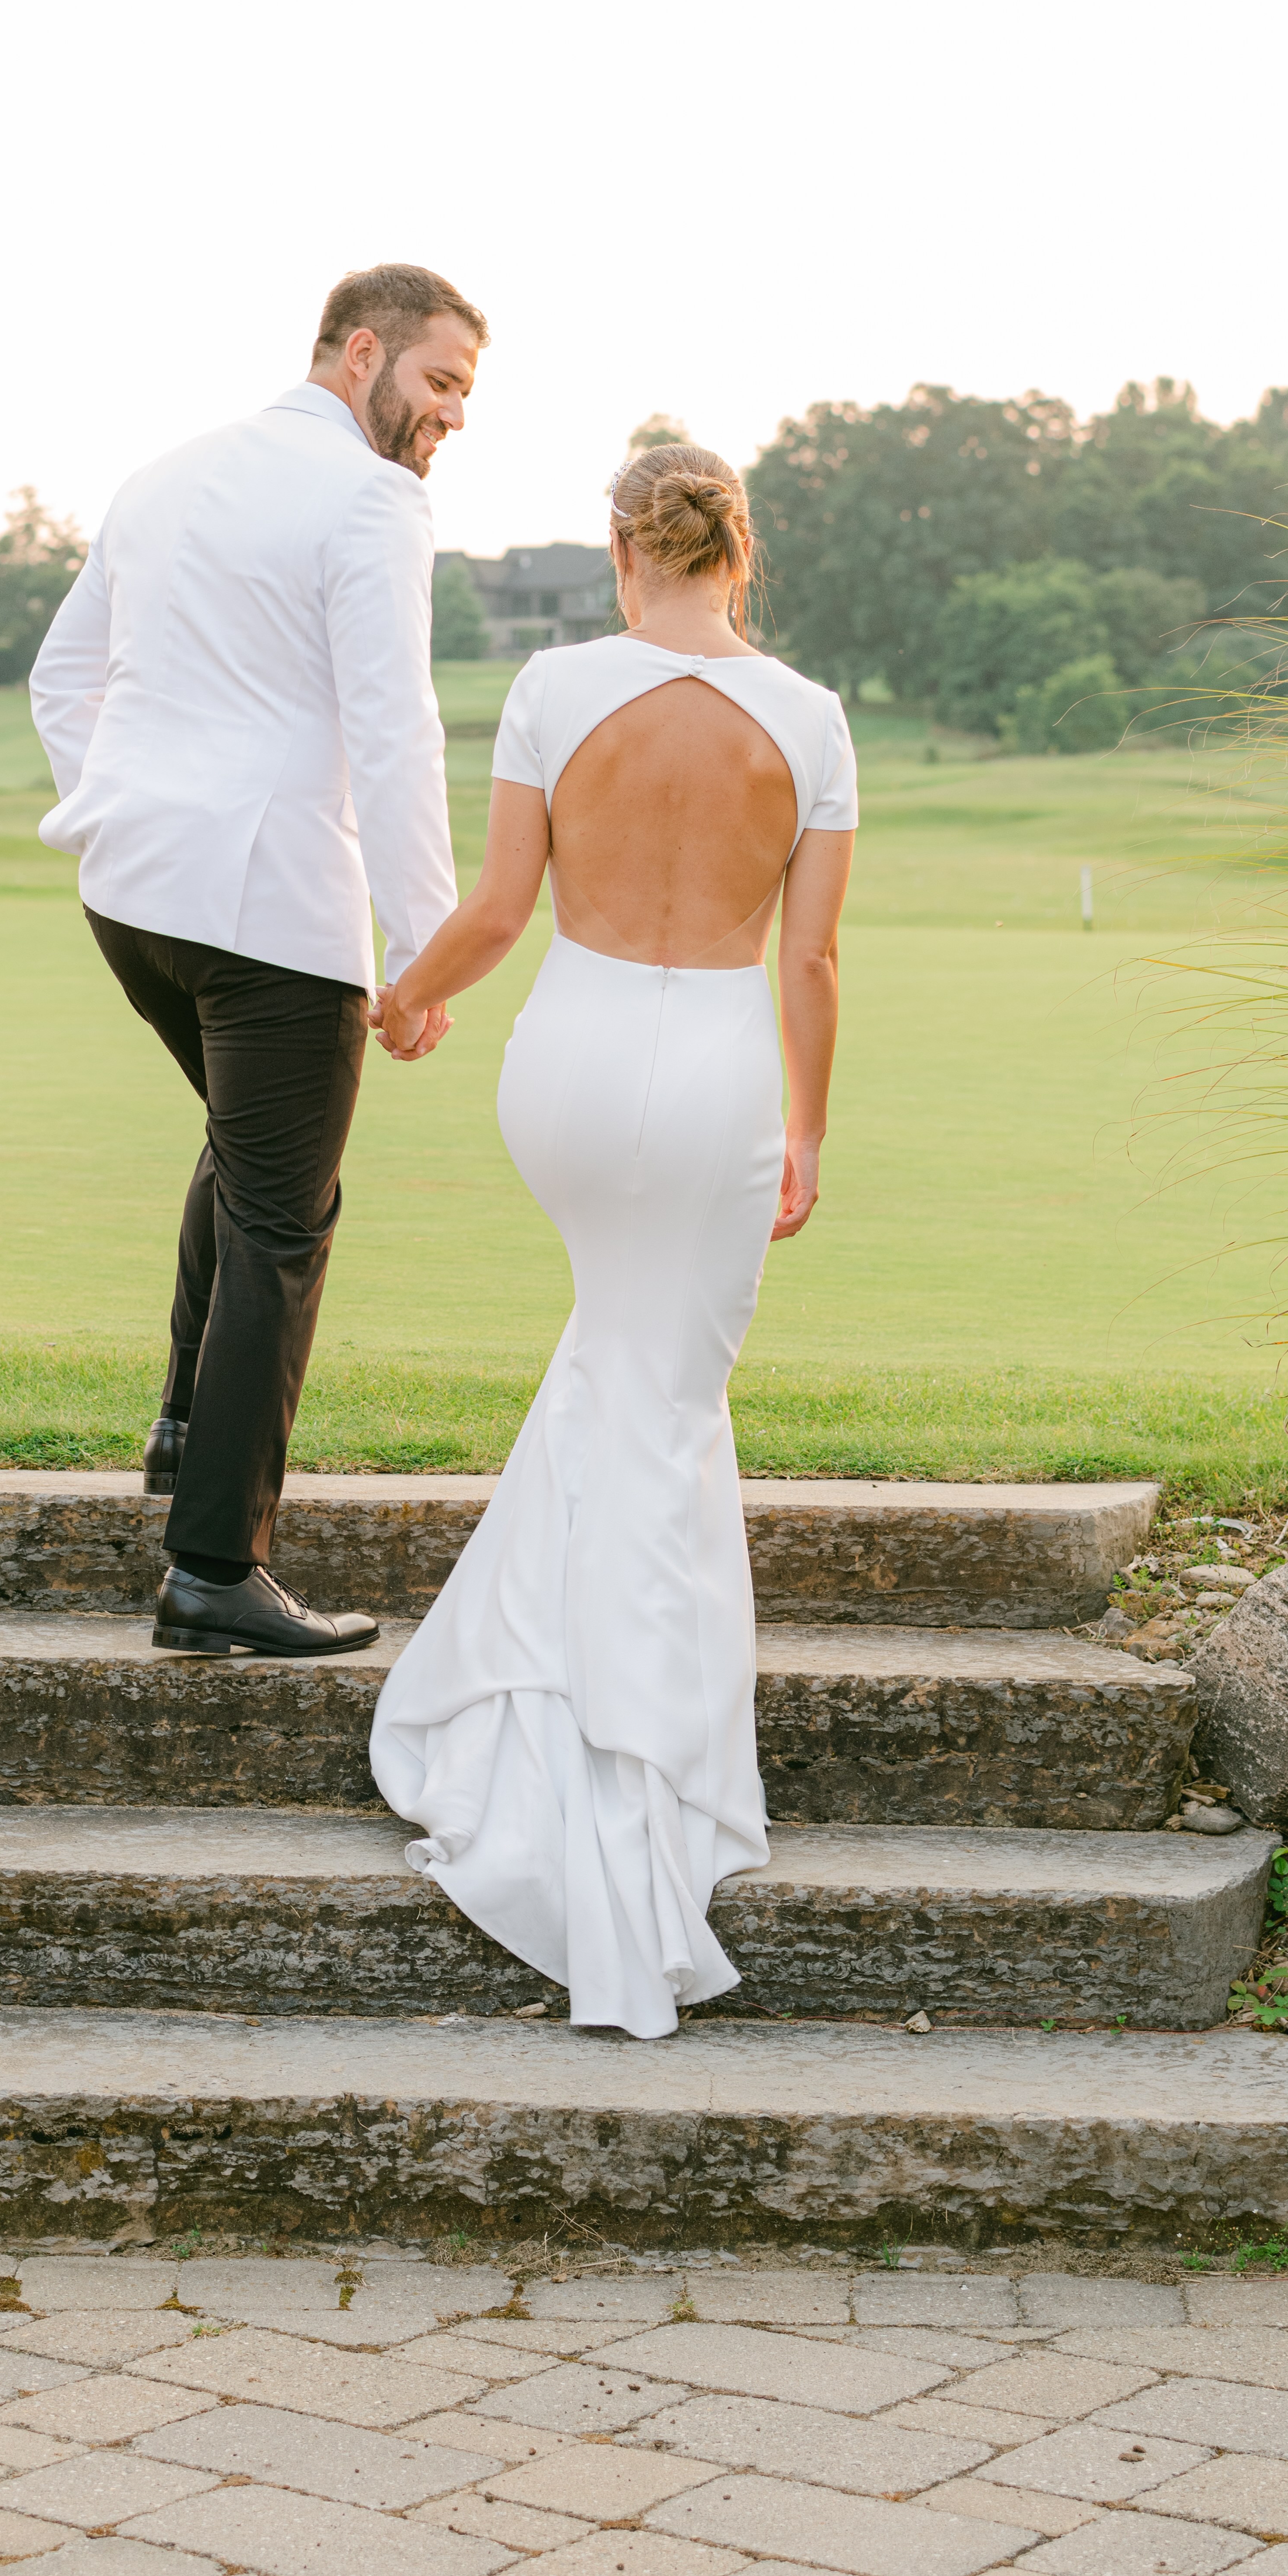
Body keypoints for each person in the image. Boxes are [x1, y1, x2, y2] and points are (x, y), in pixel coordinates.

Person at [367, 442, 856, 2036]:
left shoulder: (551, 685)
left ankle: (564, 1711)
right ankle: (648, 1773)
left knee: (623, 1369)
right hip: (717, 1068)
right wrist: (810, 1126)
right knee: (663, 1395)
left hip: (569, 1066)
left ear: (616, 548)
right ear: (741, 550)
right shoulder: (810, 718)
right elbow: (813, 964)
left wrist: (410, 992)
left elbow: (500, 913)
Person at [29, 264, 485, 1660]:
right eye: (442, 382)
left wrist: (121, 807)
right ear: (362, 353)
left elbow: (63, 680)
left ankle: (186, 1428)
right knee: (288, 1220)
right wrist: (427, 953)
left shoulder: (165, 476)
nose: (453, 416)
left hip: (133, 898)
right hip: (268, 915)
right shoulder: (371, 502)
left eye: (467, 392)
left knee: (247, 1159)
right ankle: (215, 1568)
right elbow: (397, 728)